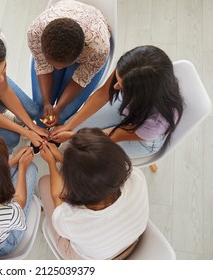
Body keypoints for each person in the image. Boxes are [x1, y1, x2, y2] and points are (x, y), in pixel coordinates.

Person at [51, 45, 184, 158]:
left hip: (140, 139)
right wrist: (69, 127)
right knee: (72, 128)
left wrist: (73, 136)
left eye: (122, 87)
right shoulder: (130, 67)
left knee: (81, 152)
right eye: (117, 80)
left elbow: (115, 135)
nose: (115, 87)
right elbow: (102, 94)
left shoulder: (155, 123)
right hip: (128, 109)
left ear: (140, 94)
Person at [39, 127, 149, 259]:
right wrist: (71, 158)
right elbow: (101, 168)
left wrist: (51, 163)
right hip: (131, 244)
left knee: (44, 183)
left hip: (94, 261)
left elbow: (57, 196)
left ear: (75, 187)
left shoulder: (69, 220)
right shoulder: (137, 177)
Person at [27, 0, 111, 127]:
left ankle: (56, 136)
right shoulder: (35, 32)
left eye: (63, 66)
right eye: (53, 63)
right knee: (40, 105)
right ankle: (41, 133)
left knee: (66, 112)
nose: (57, 68)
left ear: (78, 56)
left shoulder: (99, 48)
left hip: (91, 51)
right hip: (62, 18)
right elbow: (43, 66)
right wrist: (46, 102)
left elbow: (81, 78)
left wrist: (59, 107)